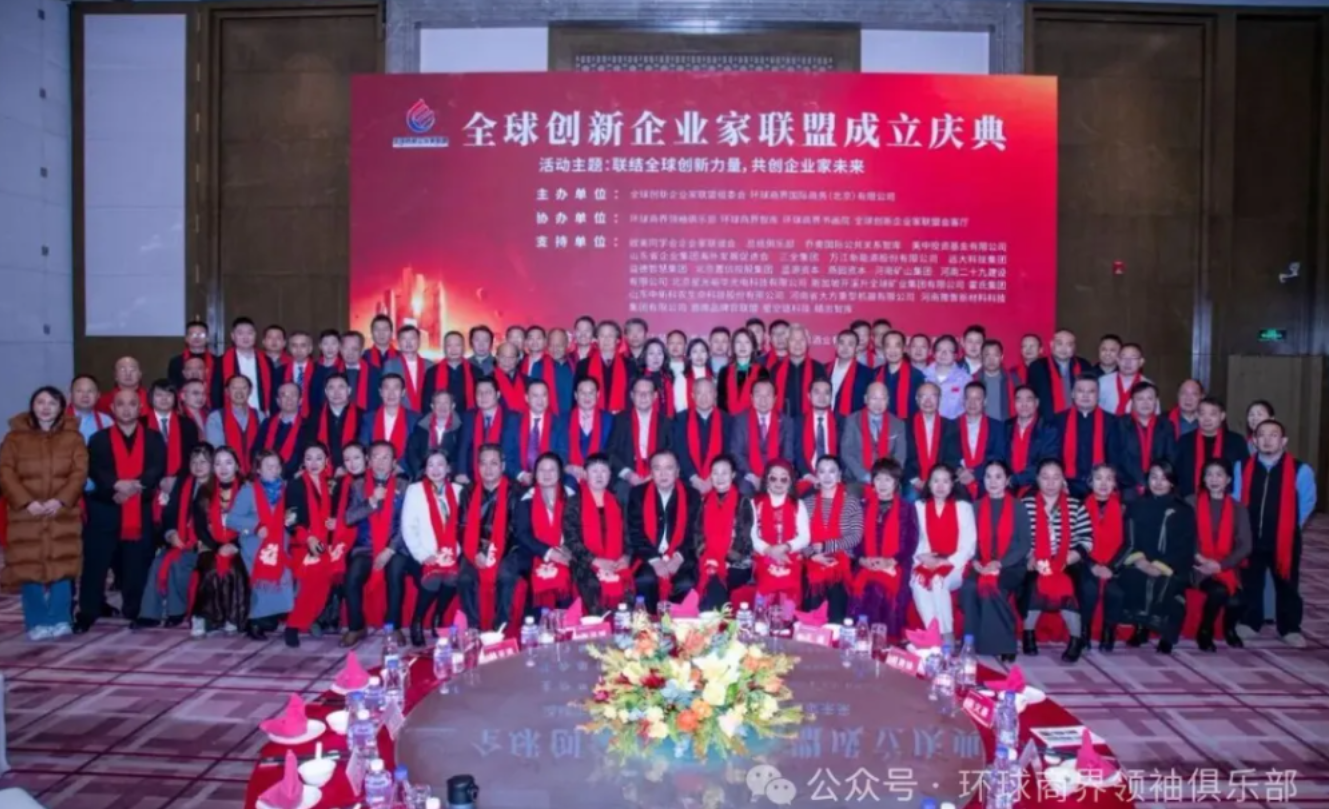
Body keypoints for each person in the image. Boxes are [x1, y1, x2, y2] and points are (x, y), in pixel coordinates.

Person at [0, 387, 89, 640]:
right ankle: (36, 621)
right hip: (26, 514)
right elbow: (5, 472)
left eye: (52, 403)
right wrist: (26, 502)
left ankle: (60, 617)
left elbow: (79, 472)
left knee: (63, 566)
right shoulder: (14, 438)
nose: (46, 407)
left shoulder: (73, 437)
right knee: (29, 567)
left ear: (61, 407)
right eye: (40, 402)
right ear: (32, 406)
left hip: (61, 511)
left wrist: (60, 500)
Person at [78, 389, 166, 632]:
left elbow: (156, 467)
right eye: (121, 404)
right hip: (106, 507)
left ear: (140, 408)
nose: (126, 409)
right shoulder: (99, 439)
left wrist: (132, 487)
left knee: (138, 564)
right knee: (96, 564)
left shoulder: (153, 438)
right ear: (112, 409)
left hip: (140, 509)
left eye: (132, 404)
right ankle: (88, 612)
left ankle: (136, 609)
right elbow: (95, 469)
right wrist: (115, 485)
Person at [1234, 419, 1316, 647]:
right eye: (1262, 435)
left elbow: (1307, 502)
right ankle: (1250, 621)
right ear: (1254, 440)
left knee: (1287, 584)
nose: (1267, 440)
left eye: (1273, 435)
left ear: (1284, 440)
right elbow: (1236, 499)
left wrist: (1290, 527)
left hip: (1285, 539)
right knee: (1251, 581)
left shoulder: (1301, 470)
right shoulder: (1243, 467)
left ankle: (1289, 628)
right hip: (1251, 536)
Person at [1019, 459, 1096, 662]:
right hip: (1036, 559)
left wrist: (1071, 557)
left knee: (1075, 586)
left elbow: (1087, 539)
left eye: (1056, 477)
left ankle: (1076, 639)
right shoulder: (1025, 505)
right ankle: (1028, 634)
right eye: (1045, 477)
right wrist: (1030, 555)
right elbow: (1017, 538)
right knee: (1031, 584)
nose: (1051, 483)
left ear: (1063, 480)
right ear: (1037, 479)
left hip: (1068, 560)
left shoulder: (1075, 505)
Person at [1119, 460, 1196, 654]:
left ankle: (1166, 634)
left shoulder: (1184, 510)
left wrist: (1161, 565)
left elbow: (1185, 546)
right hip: (1141, 561)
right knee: (1135, 577)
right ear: (1147, 480)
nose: (1158, 483)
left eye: (1164, 478)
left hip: (1173, 564)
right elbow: (1129, 540)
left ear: (1172, 482)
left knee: (1168, 582)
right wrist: (1141, 561)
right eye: (1154, 477)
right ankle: (1141, 627)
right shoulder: (1136, 506)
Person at [958, 460, 1030, 662]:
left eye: (998, 477)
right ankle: (971, 642)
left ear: (1007, 480)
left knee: (993, 586)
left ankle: (1005, 643)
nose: (993, 481)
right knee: (970, 587)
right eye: (988, 476)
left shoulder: (1018, 507)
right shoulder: (975, 507)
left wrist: (999, 564)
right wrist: (975, 561)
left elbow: (1024, 544)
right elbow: (968, 540)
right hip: (981, 563)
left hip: (1010, 566)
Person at [341, 441, 409, 647]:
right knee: (352, 576)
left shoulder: (404, 486)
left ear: (394, 462)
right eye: (376, 457)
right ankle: (356, 627)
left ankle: (393, 626)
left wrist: (390, 549)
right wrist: (370, 501)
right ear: (369, 461)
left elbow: (408, 524)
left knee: (395, 573)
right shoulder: (358, 486)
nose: (380, 462)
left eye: (385, 457)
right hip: (366, 547)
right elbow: (349, 518)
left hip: (394, 546)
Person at [140, 443, 212, 632]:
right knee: (158, 562)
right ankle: (149, 614)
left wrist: (202, 541)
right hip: (180, 540)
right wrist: (171, 533)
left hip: (205, 544)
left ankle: (176, 612)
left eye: (203, 462)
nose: (198, 466)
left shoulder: (218, 487)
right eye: (194, 462)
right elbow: (170, 513)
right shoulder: (184, 483)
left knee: (179, 563)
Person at [400, 448, 467, 647]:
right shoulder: (415, 490)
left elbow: (464, 525)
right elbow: (408, 526)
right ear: (425, 468)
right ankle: (417, 620)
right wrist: (423, 555)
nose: (435, 469)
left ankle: (438, 615)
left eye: (440, 464)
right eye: (430, 465)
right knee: (434, 578)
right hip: (423, 551)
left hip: (452, 551)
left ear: (448, 468)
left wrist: (454, 552)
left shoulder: (459, 490)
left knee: (454, 577)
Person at [504, 452, 579, 623]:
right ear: (535, 474)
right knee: (535, 575)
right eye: (541, 470)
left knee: (573, 571)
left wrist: (567, 549)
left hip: (567, 550)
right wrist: (549, 553)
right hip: (535, 553)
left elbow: (579, 529)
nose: (546, 474)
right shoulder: (525, 498)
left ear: (560, 473)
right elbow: (523, 534)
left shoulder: (571, 496)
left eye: (552, 470)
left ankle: (567, 625)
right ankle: (540, 624)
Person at [848, 458, 917, 640]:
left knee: (879, 588)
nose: (882, 484)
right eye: (878, 479)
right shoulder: (863, 506)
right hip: (867, 562)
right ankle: (862, 639)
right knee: (867, 586)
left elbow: (911, 542)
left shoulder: (907, 509)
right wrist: (862, 559)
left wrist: (890, 561)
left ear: (896, 482)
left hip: (896, 564)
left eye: (888, 479)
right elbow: (856, 539)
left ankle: (884, 641)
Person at [284, 442, 343, 647]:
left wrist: (336, 522)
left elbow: (340, 512)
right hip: (303, 543)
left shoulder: (332, 484)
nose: (314, 463)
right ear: (303, 461)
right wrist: (308, 538)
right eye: (309, 458)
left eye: (319, 458)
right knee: (311, 578)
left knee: (328, 579)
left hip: (329, 542)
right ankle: (293, 626)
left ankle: (313, 619)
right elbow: (290, 519)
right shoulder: (296, 484)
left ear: (327, 461)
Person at [1188, 459, 1251, 651]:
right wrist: (1201, 559)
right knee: (1218, 591)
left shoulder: (1238, 508)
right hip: (1196, 566)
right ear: (1203, 479)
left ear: (1228, 479)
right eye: (1209, 474)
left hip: (1226, 565)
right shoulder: (1191, 502)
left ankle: (1229, 629)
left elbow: (1245, 545)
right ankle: (1204, 631)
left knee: (1238, 600)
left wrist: (1221, 565)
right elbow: (1183, 537)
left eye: (1219, 475)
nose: (1214, 479)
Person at [627, 451, 700, 612]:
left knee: (685, 583)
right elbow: (635, 532)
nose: (663, 474)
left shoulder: (692, 495)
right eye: (657, 468)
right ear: (651, 472)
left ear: (677, 471)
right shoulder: (638, 494)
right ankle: (648, 622)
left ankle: (678, 624)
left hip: (681, 554)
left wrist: (678, 557)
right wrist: (655, 560)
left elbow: (694, 533)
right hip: (648, 554)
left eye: (669, 468)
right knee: (645, 579)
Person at [910, 465, 975, 645]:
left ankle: (947, 634)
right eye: (936, 481)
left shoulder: (963, 507)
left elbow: (969, 545)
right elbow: (914, 539)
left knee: (938, 580)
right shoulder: (919, 507)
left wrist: (946, 562)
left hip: (956, 564)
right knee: (918, 581)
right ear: (929, 484)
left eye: (945, 481)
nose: (940, 486)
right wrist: (922, 556)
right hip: (928, 559)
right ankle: (933, 634)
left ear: (952, 484)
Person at [234, 450, 295, 641]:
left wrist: (290, 519)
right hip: (255, 545)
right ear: (258, 470)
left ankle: (273, 617)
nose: (274, 470)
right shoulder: (248, 491)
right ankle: (255, 622)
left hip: (280, 543)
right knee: (262, 583)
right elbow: (232, 519)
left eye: (277, 466)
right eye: (269, 467)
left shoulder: (286, 488)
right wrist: (255, 526)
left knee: (285, 575)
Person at [457, 443, 517, 629]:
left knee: (505, 575)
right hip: (473, 547)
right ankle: (473, 628)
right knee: (465, 578)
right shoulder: (468, 491)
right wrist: (477, 551)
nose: (488, 469)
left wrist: (490, 553)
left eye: (494, 463)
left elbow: (514, 529)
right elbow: (462, 526)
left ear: (503, 466)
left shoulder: (514, 491)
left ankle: (500, 628)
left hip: (507, 547)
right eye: (483, 463)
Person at [192, 446, 250, 635]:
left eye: (228, 463)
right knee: (211, 569)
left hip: (241, 544)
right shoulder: (204, 491)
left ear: (237, 466)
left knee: (234, 569)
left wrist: (235, 545)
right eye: (217, 463)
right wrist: (217, 546)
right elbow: (200, 527)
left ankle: (232, 617)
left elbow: (254, 521)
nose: (223, 468)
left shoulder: (247, 490)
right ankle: (202, 617)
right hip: (211, 544)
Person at [567, 454, 632, 614]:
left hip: (616, 561)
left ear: (610, 475)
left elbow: (628, 535)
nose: (599, 475)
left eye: (604, 471)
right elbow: (571, 540)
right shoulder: (574, 502)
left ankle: (622, 628)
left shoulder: (617, 501)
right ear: (585, 474)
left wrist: (626, 557)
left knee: (627, 593)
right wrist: (595, 560)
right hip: (586, 563)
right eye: (594, 471)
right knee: (593, 586)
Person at [802, 457, 861, 623]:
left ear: (839, 475)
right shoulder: (806, 503)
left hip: (843, 561)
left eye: (832, 471)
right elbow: (800, 535)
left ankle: (835, 629)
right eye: (822, 471)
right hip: (813, 560)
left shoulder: (851, 503)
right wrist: (812, 554)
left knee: (837, 597)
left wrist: (826, 547)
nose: (827, 476)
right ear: (816, 475)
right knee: (812, 597)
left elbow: (855, 536)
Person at [694, 455, 755, 611]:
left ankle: (715, 618)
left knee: (716, 578)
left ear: (733, 475)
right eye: (715, 473)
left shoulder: (743, 501)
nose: (719, 477)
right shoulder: (705, 501)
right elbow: (698, 533)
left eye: (724, 473)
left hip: (736, 561)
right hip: (709, 557)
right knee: (707, 575)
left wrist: (725, 561)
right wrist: (706, 557)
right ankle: (714, 617)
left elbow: (744, 537)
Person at [1082, 464, 1130, 651]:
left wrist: (1111, 567)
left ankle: (1108, 632)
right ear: (1090, 482)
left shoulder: (1124, 509)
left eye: (1109, 479)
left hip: (1114, 564)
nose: (1103, 483)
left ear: (1115, 484)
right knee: (1088, 589)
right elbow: (1074, 540)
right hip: (1086, 563)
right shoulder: (1080, 507)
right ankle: (1084, 631)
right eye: (1098, 478)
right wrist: (1092, 565)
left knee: (1115, 592)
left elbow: (1129, 544)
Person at [749, 459, 810, 606]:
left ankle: (787, 618)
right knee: (767, 584)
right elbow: (752, 535)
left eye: (783, 479)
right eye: (773, 478)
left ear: (790, 482)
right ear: (766, 480)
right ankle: (763, 617)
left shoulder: (798, 504)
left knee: (789, 587)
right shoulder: (755, 503)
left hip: (790, 556)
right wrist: (769, 550)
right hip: (763, 556)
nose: (778, 483)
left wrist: (785, 547)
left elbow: (805, 537)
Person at [1052, 376, 1118, 499]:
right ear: (1073, 394)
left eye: (1091, 391)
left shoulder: (1112, 422)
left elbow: (1114, 458)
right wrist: (1059, 479)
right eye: (1080, 391)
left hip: (1101, 484)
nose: (1085, 395)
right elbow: (1053, 454)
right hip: (1067, 483)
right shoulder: (1058, 420)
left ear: (1098, 395)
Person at [608, 378, 670, 502]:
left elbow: (671, 453)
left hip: (658, 473)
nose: (643, 396)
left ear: (655, 396)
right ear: (632, 395)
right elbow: (610, 452)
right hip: (627, 474)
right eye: (638, 392)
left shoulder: (666, 423)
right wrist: (628, 474)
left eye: (647, 393)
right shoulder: (619, 420)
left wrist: (654, 475)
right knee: (623, 493)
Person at [729, 380, 793, 497]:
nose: (763, 400)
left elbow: (788, 455)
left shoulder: (786, 422)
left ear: (775, 399)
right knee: (743, 488)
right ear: (751, 398)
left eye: (768, 395)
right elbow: (736, 453)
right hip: (748, 474)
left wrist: (774, 477)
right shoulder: (740, 420)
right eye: (758, 395)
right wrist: (752, 476)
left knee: (788, 488)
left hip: (777, 475)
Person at [841, 381, 906, 494]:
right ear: (866, 399)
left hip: (888, 481)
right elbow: (846, 453)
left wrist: (885, 480)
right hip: (857, 479)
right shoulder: (852, 420)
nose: (878, 403)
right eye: (874, 398)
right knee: (850, 498)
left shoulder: (898, 424)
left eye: (882, 398)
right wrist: (865, 476)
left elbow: (900, 456)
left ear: (888, 400)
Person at [1176, 396, 1246, 498]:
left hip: (1227, 500)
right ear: (1197, 415)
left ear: (1222, 416)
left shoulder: (1236, 441)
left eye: (1213, 414)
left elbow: (1244, 474)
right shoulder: (1185, 441)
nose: (1207, 419)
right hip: (1190, 499)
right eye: (1202, 414)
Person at [1116, 381, 1177, 498]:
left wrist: (1156, 481)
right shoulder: (1119, 425)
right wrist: (1135, 484)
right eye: (1140, 399)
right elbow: (1114, 459)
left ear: (1156, 401)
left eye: (1150, 398)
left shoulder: (1166, 426)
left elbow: (1170, 457)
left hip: (1159, 486)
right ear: (1132, 401)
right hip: (1128, 487)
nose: (1145, 403)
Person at [145, 380, 201, 507]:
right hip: (149, 487)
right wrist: (159, 481)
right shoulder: (140, 424)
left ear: (175, 398)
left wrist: (176, 480)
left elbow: (192, 456)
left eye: (168, 395)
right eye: (159, 395)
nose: (164, 399)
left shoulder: (187, 424)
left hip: (180, 484)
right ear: (151, 397)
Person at [950, 382, 1007, 499]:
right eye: (968, 398)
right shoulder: (951, 426)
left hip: (987, 482)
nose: (972, 403)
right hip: (958, 482)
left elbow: (999, 456)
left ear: (985, 401)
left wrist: (975, 473)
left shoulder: (997, 427)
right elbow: (948, 456)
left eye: (977, 399)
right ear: (963, 401)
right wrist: (959, 471)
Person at [673, 378, 729, 496]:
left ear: (715, 394)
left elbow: (728, 451)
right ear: (692, 396)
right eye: (699, 393)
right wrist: (693, 478)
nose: (704, 397)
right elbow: (680, 451)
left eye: (708, 392)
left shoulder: (727, 420)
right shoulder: (680, 419)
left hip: (720, 477)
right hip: (687, 477)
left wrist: (713, 477)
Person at [503, 380, 564, 486]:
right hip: (518, 481)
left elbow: (563, 454)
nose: (540, 400)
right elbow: (506, 456)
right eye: (535, 396)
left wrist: (546, 475)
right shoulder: (514, 422)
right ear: (527, 398)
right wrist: (520, 475)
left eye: (544, 395)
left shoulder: (558, 423)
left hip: (550, 481)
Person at [904, 382, 959, 497]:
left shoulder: (950, 426)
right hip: (913, 480)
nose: (928, 401)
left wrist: (938, 481)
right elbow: (903, 458)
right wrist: (915, 480)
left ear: (939, 399)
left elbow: (952, 459)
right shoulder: (905, 425)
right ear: (917, 400)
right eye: (923, 396)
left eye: (933, 396)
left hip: (942, 481)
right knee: (912, 496)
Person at [213, 318, 276, 414]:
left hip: (260, 413)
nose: (245, 337)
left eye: (250, 333)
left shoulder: (266, 361)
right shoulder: (221, 361)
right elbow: (216, 392)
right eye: (240, 333)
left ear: (255, 335)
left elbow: (273, 391)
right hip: (231, 414)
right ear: (233, 336)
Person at [1027, 328, 1091, 420]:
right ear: (1051, 344)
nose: (1063, 349)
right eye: (1059, 344)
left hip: (1078, 420)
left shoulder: (1084, 366)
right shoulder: (1037, 367)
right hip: (1047, 421)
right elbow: (1031, 396)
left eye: (1069, 345)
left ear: (1074, 347)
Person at [792, 380, 843, 494]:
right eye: (817, 392)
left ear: (831, 396)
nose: (822, 397)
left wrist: (837, 474)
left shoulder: (841, 421)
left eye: (826, 393)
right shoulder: (798, 422)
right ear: (809, 396)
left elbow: (844, 453)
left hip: (835, 476)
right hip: (807, 476)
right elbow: (797, 453)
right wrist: (807, 474)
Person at [305, 373, 359, 476]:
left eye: (341, 387)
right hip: (321, 470)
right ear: (326, 392)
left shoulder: (361, 415)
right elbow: (310, 444)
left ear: (349, 390)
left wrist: (345, 467)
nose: (336, 392)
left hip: (353, 470)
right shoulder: (315, 416)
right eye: (331, 388)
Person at [575, 320, 634, 414]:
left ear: (618, 340)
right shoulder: (583, 365)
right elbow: (577, 395)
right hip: (591, 416)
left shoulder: (630, 365)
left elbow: (633, 395)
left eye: (610, 336)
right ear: (596, 339)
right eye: (602, 336)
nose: (606, 340)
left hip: (622, 417)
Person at [359, 373, 419, 464]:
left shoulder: (415, 419)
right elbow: (364, 447)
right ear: (380, 392)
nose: (391, 393)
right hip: (374, 467)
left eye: (396, 388)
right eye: (387, 388)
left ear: (403, 392)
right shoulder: (368, 418)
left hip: (404, 470)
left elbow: (416, 452)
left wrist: (400, 467)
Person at [1005, 386, 1054, 495]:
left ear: (1036, 403)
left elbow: (1047, 463)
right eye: (1019, 400)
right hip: (1006, 486)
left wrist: (1016, 480)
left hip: (1036, 487)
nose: (1024, 405)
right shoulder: (1005, 427)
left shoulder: (1048, 429)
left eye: (1028, 400)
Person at [206, 376, 260, 475]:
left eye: (244, 388)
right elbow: (218, 450)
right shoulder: (216, 417)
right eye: (234, 388)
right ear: (227, 391)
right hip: (227, 473)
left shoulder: (260, 416)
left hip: (256, 473)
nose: (239, 392)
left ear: (250, 391)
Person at [564, 378, 614, 483]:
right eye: (583, 393)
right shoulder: (563, 420)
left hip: (601, 475)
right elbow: (558, 450)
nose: (587, 397)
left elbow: (613, 451)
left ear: (598, 395)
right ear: (576, 395)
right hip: (571, 474)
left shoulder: (610, 420)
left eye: (591, 393)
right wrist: (567, 467)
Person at [771, 326, 825, 421]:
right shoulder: (775, 369)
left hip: (811, 422)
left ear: (807, 342)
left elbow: (825, 399)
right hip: (783, 423)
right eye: (793, 340)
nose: (798, 344)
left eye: (801, 340)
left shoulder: (818, 368)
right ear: (786, 342)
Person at [406, 389, 462, 480]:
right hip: (423, 476)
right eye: (438, 403)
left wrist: (450, 471)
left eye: (446, 403)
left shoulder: (461, 427)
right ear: (432, 406)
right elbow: (412, 452)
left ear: (453, 406)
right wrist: (421, 472)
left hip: (451, 478)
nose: (442, 407)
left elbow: (461, 455)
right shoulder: (421, 426)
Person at [716, 327, 768, 414]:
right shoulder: (724, 371)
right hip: (728, 419)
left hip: (752, 419)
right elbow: (720, 401)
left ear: (753, 347)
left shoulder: (762, 371)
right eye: (738, 342)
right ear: (733, 346)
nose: (742, 346)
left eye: (747, 342)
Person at [258, 382, 305, 479]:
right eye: (284, 395)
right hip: (265, 477)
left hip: (294, 478)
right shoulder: (267, 423)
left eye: (293, 395)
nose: (289, 399)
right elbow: (256, 450)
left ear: (300, 400)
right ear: (278, 401)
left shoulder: (308, 426)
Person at [423, 331, 477, 413]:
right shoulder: (432, 372)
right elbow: (426, 402)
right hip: (441, 417)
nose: (453, 349)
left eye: (457, 345)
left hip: (469, 417)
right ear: (444, 348)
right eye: (449, 345)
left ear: (464, 348)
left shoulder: (475, 372)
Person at [382, 324, 432, 413]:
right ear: (398, 343)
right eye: (404, 339)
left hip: (426, 415)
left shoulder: (430, 365)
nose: (408, 343)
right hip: (400, 414)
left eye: (412, 338)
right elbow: (386, 393)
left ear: (419, 341)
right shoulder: (390, 365)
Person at [879, 330, 925, 420]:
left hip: (907, 425)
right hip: (880, 424)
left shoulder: (917, 376)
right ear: (883, 349)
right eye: (888, 346)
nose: (892, 350)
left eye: (897, 346)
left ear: (904, 349)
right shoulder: (875, 374)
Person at [663, 338, 712, 417]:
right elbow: (679, 405)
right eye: (695, 352)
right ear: (689, 356)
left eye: (702, 351)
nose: (699, 355)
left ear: (707, 355)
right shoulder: (682, 377)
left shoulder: (713, 377)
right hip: (688, 419)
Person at [827, 330, 870, 416]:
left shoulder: (866, 374)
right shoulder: (824, 369)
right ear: (836, 345)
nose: (845, 348)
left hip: (852, 421)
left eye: (850, 344)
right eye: (842, 343)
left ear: (857, 348)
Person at [1097, 343, 1148, 416]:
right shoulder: (1102, 381)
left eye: (1133, 358)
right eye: (1124, 357)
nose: (1128, 362)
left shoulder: (1148, 386)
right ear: (1118, 360)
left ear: (1141, 362)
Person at [923, 335, 967, 419]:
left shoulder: (965, 380)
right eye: (939, 350)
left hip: (954, 425)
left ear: (955, 356)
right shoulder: (923, 376)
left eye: (949, 350)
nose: (943, 353)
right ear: (934, 354)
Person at [976, 339, 1017, 422]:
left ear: (1001, 357)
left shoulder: (1013, 379)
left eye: (995, 355)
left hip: (1006, 426)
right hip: (981, 426)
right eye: (987, 355)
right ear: (981, 357)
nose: (991, 360)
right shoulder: (974, 380)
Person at [278, 330, 318, 416]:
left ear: (310, 349)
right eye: (294, 346)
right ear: (289, 349)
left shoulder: (320, 371)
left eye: (303, 345)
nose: (298, 350)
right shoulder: (279, 371)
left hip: (314, 417)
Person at [340, 331, 382, 412]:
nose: (350, 353)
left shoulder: (375, 373)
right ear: (341, 350)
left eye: (355, 349)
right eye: (346, 348)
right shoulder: (333, 372)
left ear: (362, 351)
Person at [169, 320, 216, 391]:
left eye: (201, 335)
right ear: (186, 338)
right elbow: (174, 389)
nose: (197, 338)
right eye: (192, 334)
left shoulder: (217, 362)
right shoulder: (176, 362)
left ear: (207, 338)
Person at [492, 341, 528, 414]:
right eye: (503, 357)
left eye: (511, 357)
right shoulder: (488, 381)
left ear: (517, 360)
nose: (507, 361)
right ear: (497, 358)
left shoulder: (527, 381)